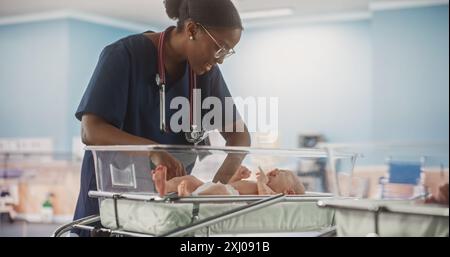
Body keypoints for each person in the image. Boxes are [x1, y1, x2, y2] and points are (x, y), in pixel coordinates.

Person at [72, 0, 250, 236]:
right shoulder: (124, 55)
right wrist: (152, 150)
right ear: (192, 30)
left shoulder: (206, 75)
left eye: (227, 52)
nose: (220, 59)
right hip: (111, 208)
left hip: (165, 215)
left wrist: (215, 191)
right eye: (219, 48)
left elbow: (240, 138)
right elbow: (91, 131)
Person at [152, 165, 306, 196]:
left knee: (219, 191)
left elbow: (264, 197)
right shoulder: (259, 186)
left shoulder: (274, 197)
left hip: (224, 194)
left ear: (289, 192)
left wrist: (261, 182)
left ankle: (189, 198)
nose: (277, 170)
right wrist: (236, 177)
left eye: (283, 172)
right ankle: (166, 185)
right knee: (191, 179)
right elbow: (230, 186)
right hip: (221, 188)